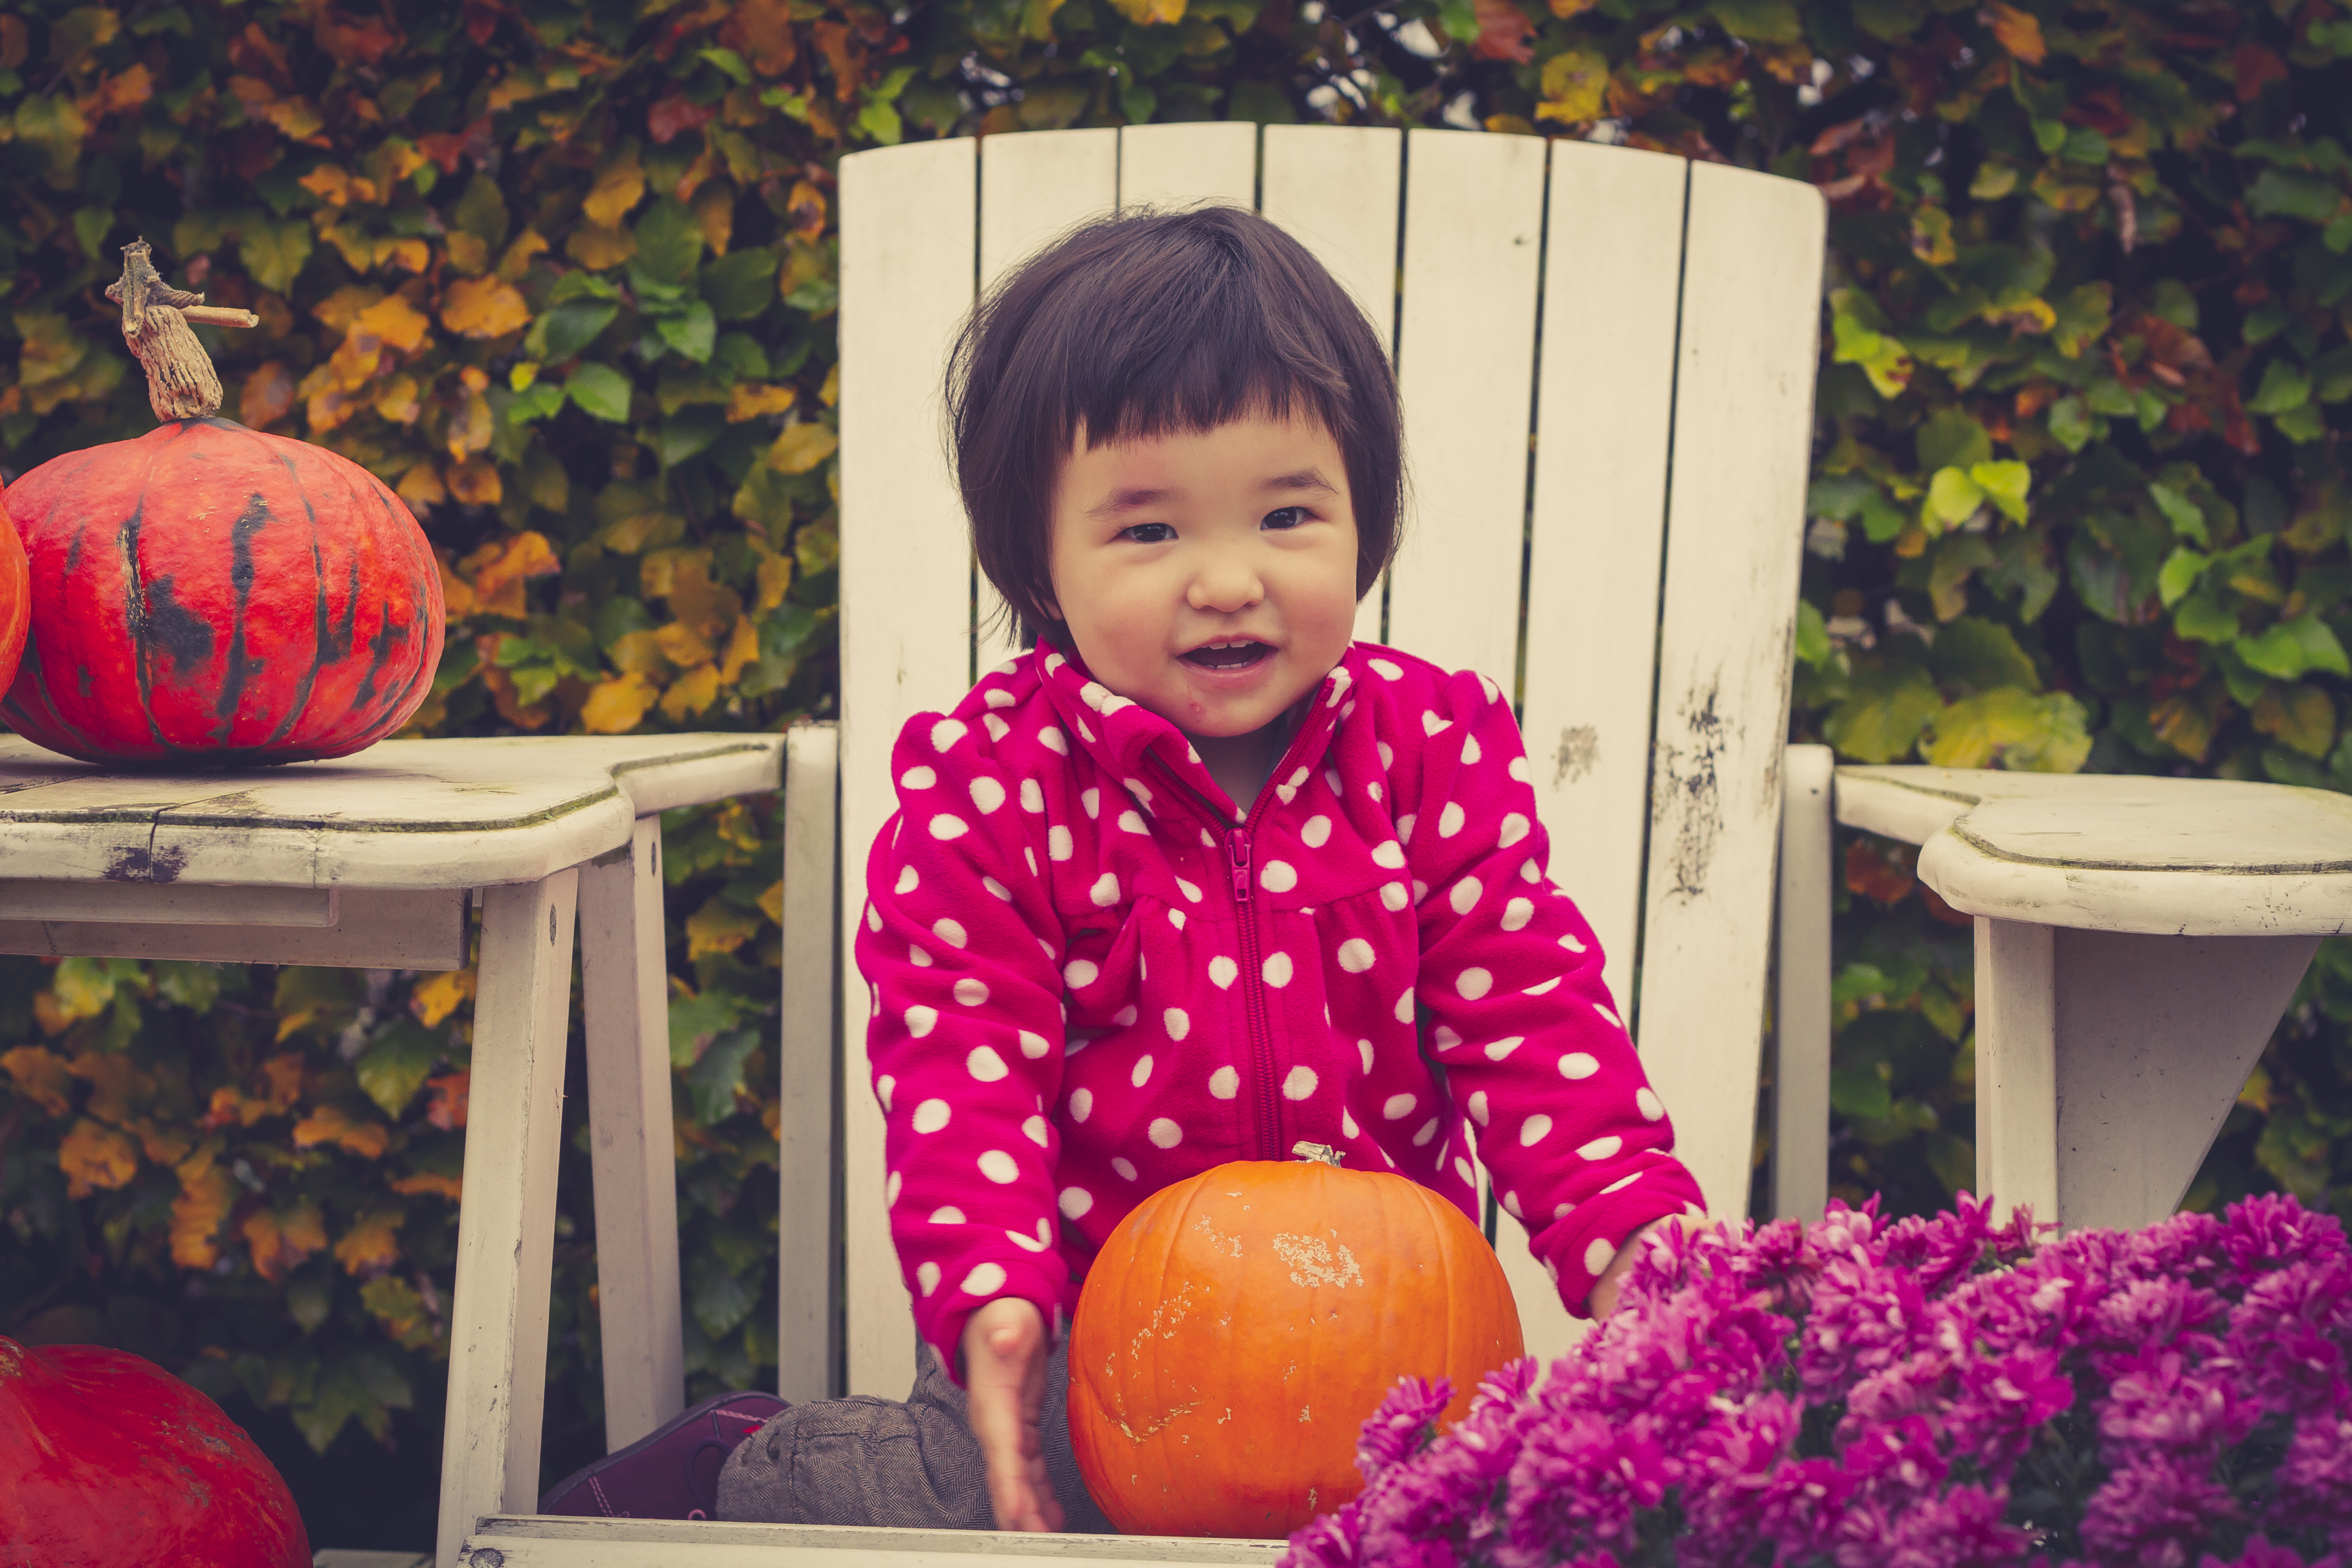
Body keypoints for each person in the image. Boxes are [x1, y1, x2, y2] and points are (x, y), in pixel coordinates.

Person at [710, 204, 1704, 1533]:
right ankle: (753, 1467)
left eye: (1288, 514)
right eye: (1148, 533)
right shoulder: (993, 785)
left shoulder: (1424, 749)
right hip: (1095, 1366)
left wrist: (1635, 1230)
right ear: (1041, 566)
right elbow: (962, 1055)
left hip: (1394, 1364)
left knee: (1557, 1512)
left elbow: (1530, 1017)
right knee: (937, 1506)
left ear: (1366, 523)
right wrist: (994, 1295)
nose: (1228, 580)